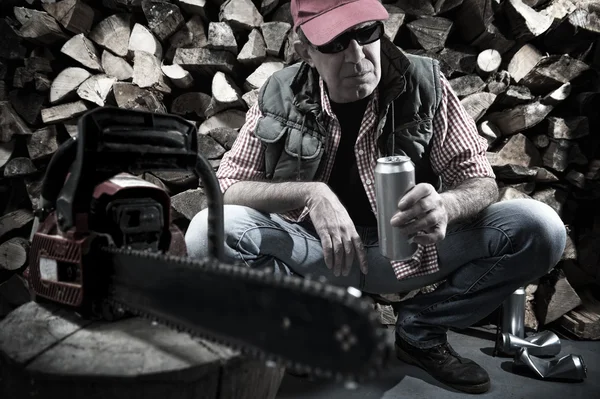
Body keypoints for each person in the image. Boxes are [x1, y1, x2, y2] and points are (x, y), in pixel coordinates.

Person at [185, 0, 567, 394]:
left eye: (367, 34)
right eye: (335, 43)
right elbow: (226, 186)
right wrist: (311, 194)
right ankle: (310, 324)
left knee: (542, 227)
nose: (357, 57)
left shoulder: (426, 81)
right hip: (318, 254)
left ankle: (421, 329)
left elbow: (480, 181)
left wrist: (446, 205)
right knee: (206, 231)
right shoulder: (278, 92)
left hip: (413, 249)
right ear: (306, 53)